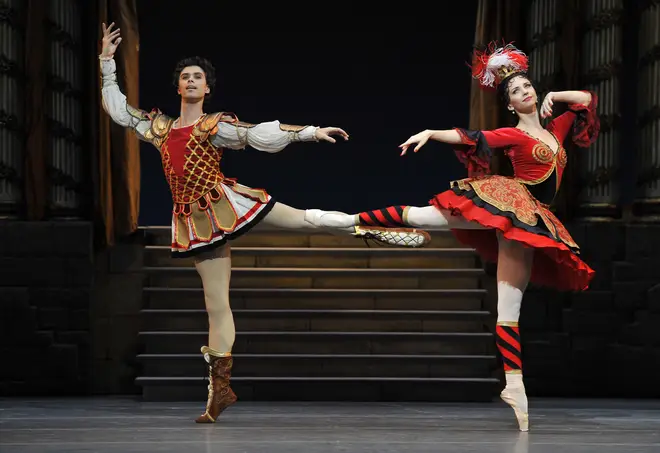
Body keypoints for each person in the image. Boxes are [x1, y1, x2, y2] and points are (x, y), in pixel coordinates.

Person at [98, 22, 431, 423]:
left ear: (207, 89)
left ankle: (364, 228)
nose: (190, 80)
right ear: (177, 87)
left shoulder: (214, 125)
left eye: (197, 77)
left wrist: (309, 132)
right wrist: (106, 61)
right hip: (198, 221)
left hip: (230, 203)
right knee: (216, 304)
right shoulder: (160, 128)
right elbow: (119, 110)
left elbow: (258, 135)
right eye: (185, 76)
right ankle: (219, 390)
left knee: (308, 222)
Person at [312, 41, 600, 431]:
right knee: (423, 216)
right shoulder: (511, 134)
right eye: (517, 91)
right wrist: (431, 132)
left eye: (528, 86)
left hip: (533, 221)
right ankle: (348, 221)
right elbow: (471, 136)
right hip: (510, 203)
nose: (525, 92)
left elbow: (585, 101)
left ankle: (514, 385)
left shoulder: (556, 129)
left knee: (509, 308)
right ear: (511, 105)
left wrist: (555, 94)